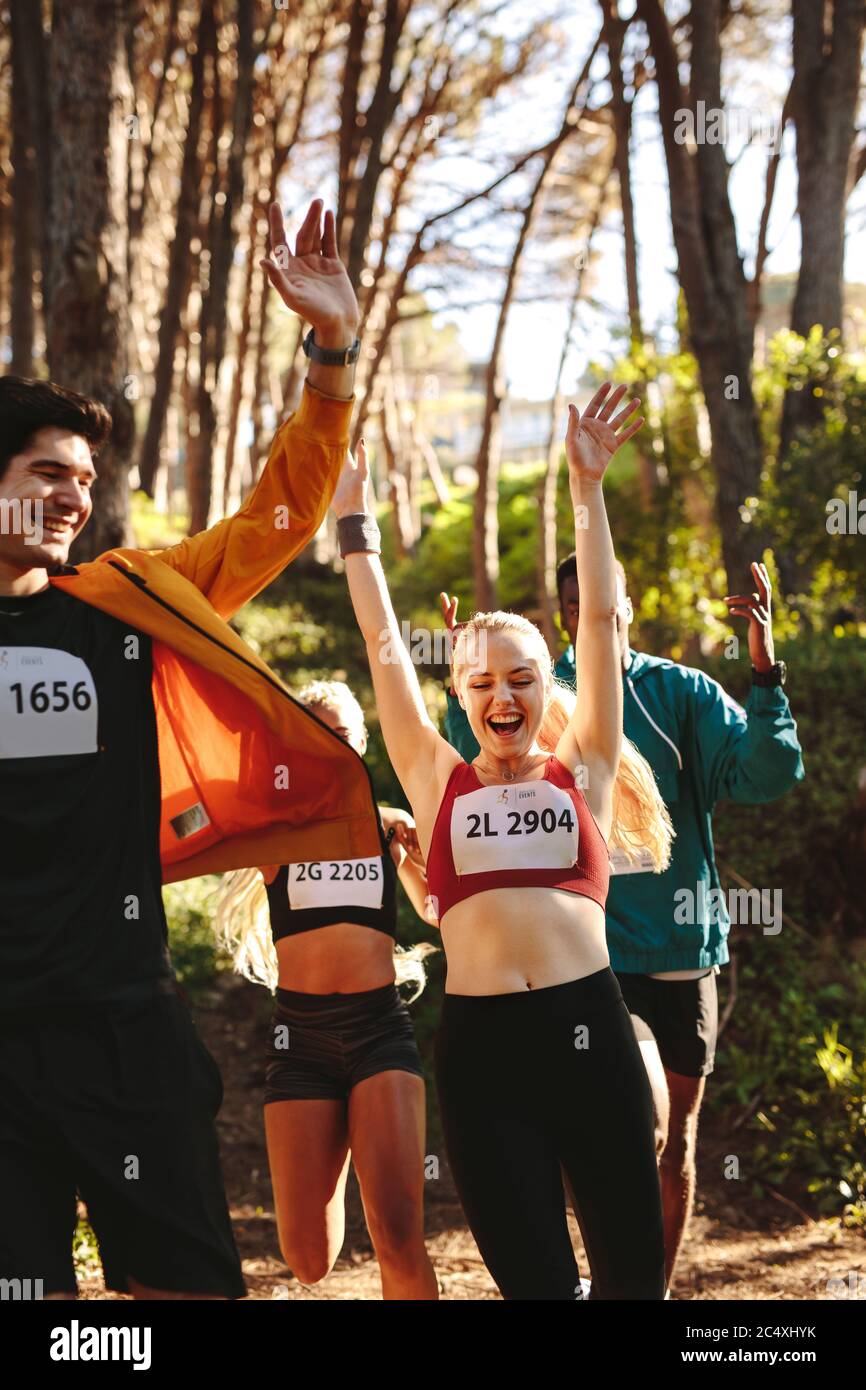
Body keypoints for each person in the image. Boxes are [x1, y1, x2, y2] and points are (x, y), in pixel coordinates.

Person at [0, 199, 377, 1300]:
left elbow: (280, 513)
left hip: (124, 1026)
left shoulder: (126, 603)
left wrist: (330, 354)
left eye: (84, 478)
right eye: (45, 474)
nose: (77, 496)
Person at [332, 386, 675, 1300]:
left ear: (543, 685)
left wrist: (588, 491)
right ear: (464, 697)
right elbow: (381, 644)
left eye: (521, 679)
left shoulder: (584, 767)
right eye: (481, 683)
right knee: (535, 1285)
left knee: (634, 1281)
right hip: (482, 1051)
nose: (502, 696)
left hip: (588, 1030)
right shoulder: (437, 781)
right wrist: (354, 524)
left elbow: (599, 622)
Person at [441, 553, 804, 1289]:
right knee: (633, 1129)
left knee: (673, 1144)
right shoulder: (531, 687)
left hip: (675, 949)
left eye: (597, 601)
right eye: (569, 602)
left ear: (622, 604)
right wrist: (463, 670)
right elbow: (471, 780)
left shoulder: (679, 692)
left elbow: (765, 774)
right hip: (585, 969)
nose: (584, 614)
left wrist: (765, 673)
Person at [215, 679, 439, 1300]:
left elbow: (437, 909)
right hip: (300, 1041)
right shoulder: (275, 830)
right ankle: (336, 1149)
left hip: (378, 1032)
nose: (329, 744)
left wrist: (419, 842)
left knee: (398, 1235)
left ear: (360, 743)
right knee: (307, 1260)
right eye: (315, 733)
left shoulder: (388, 828)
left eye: (341, 734)